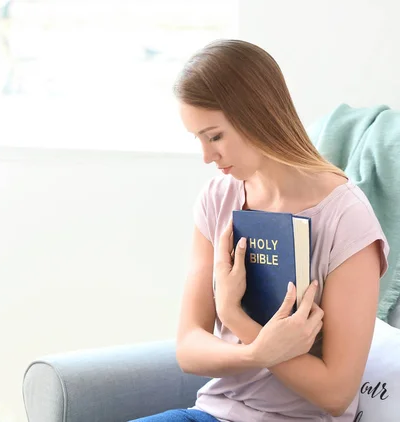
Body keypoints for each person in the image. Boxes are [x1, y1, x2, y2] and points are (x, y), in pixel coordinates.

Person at [131, 39, 390, 421]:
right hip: (211, 414)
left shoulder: (346, 218)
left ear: (258, 114)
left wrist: (238, 321)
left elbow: (336, 393)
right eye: (198, 139)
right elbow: (188, 348)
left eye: (215, 136)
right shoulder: (219, 197)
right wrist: (257, 353)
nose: (207, 156)